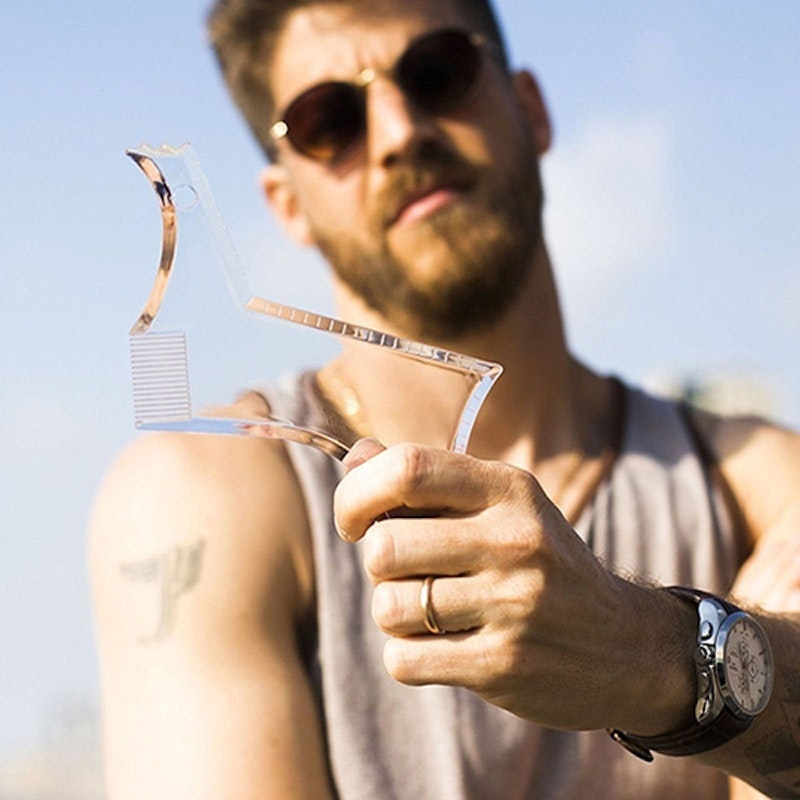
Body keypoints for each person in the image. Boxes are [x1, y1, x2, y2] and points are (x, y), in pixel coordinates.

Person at [88, 1, 800, 797]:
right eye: (329, 121)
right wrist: (744, 662)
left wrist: (650, 651)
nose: (399, 133)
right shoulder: (204, 495)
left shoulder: (758, 478)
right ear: (286, 204)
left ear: (531, 109)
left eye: (438, 72)